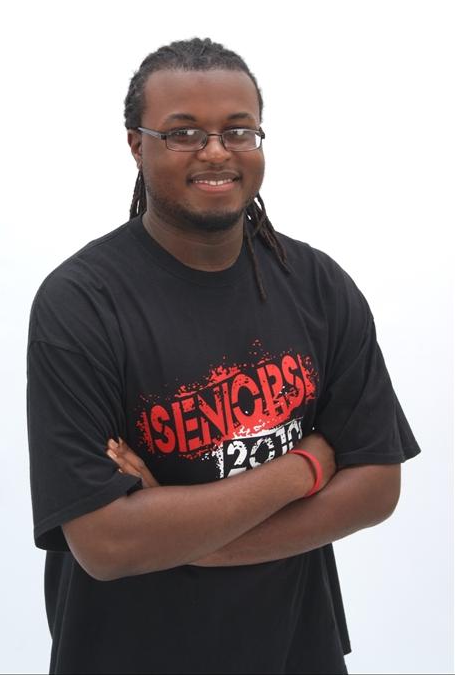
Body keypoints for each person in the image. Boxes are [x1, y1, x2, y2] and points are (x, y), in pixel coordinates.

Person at [26, 37, 420, 675]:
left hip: (296, 652)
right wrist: (304, 469)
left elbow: (377, 486)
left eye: (238, 130)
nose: (215, 151)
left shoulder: (316, 284)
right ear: (136, 145)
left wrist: (197, 543)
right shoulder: (82, 304)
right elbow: (106, 541)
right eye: (183, 132)